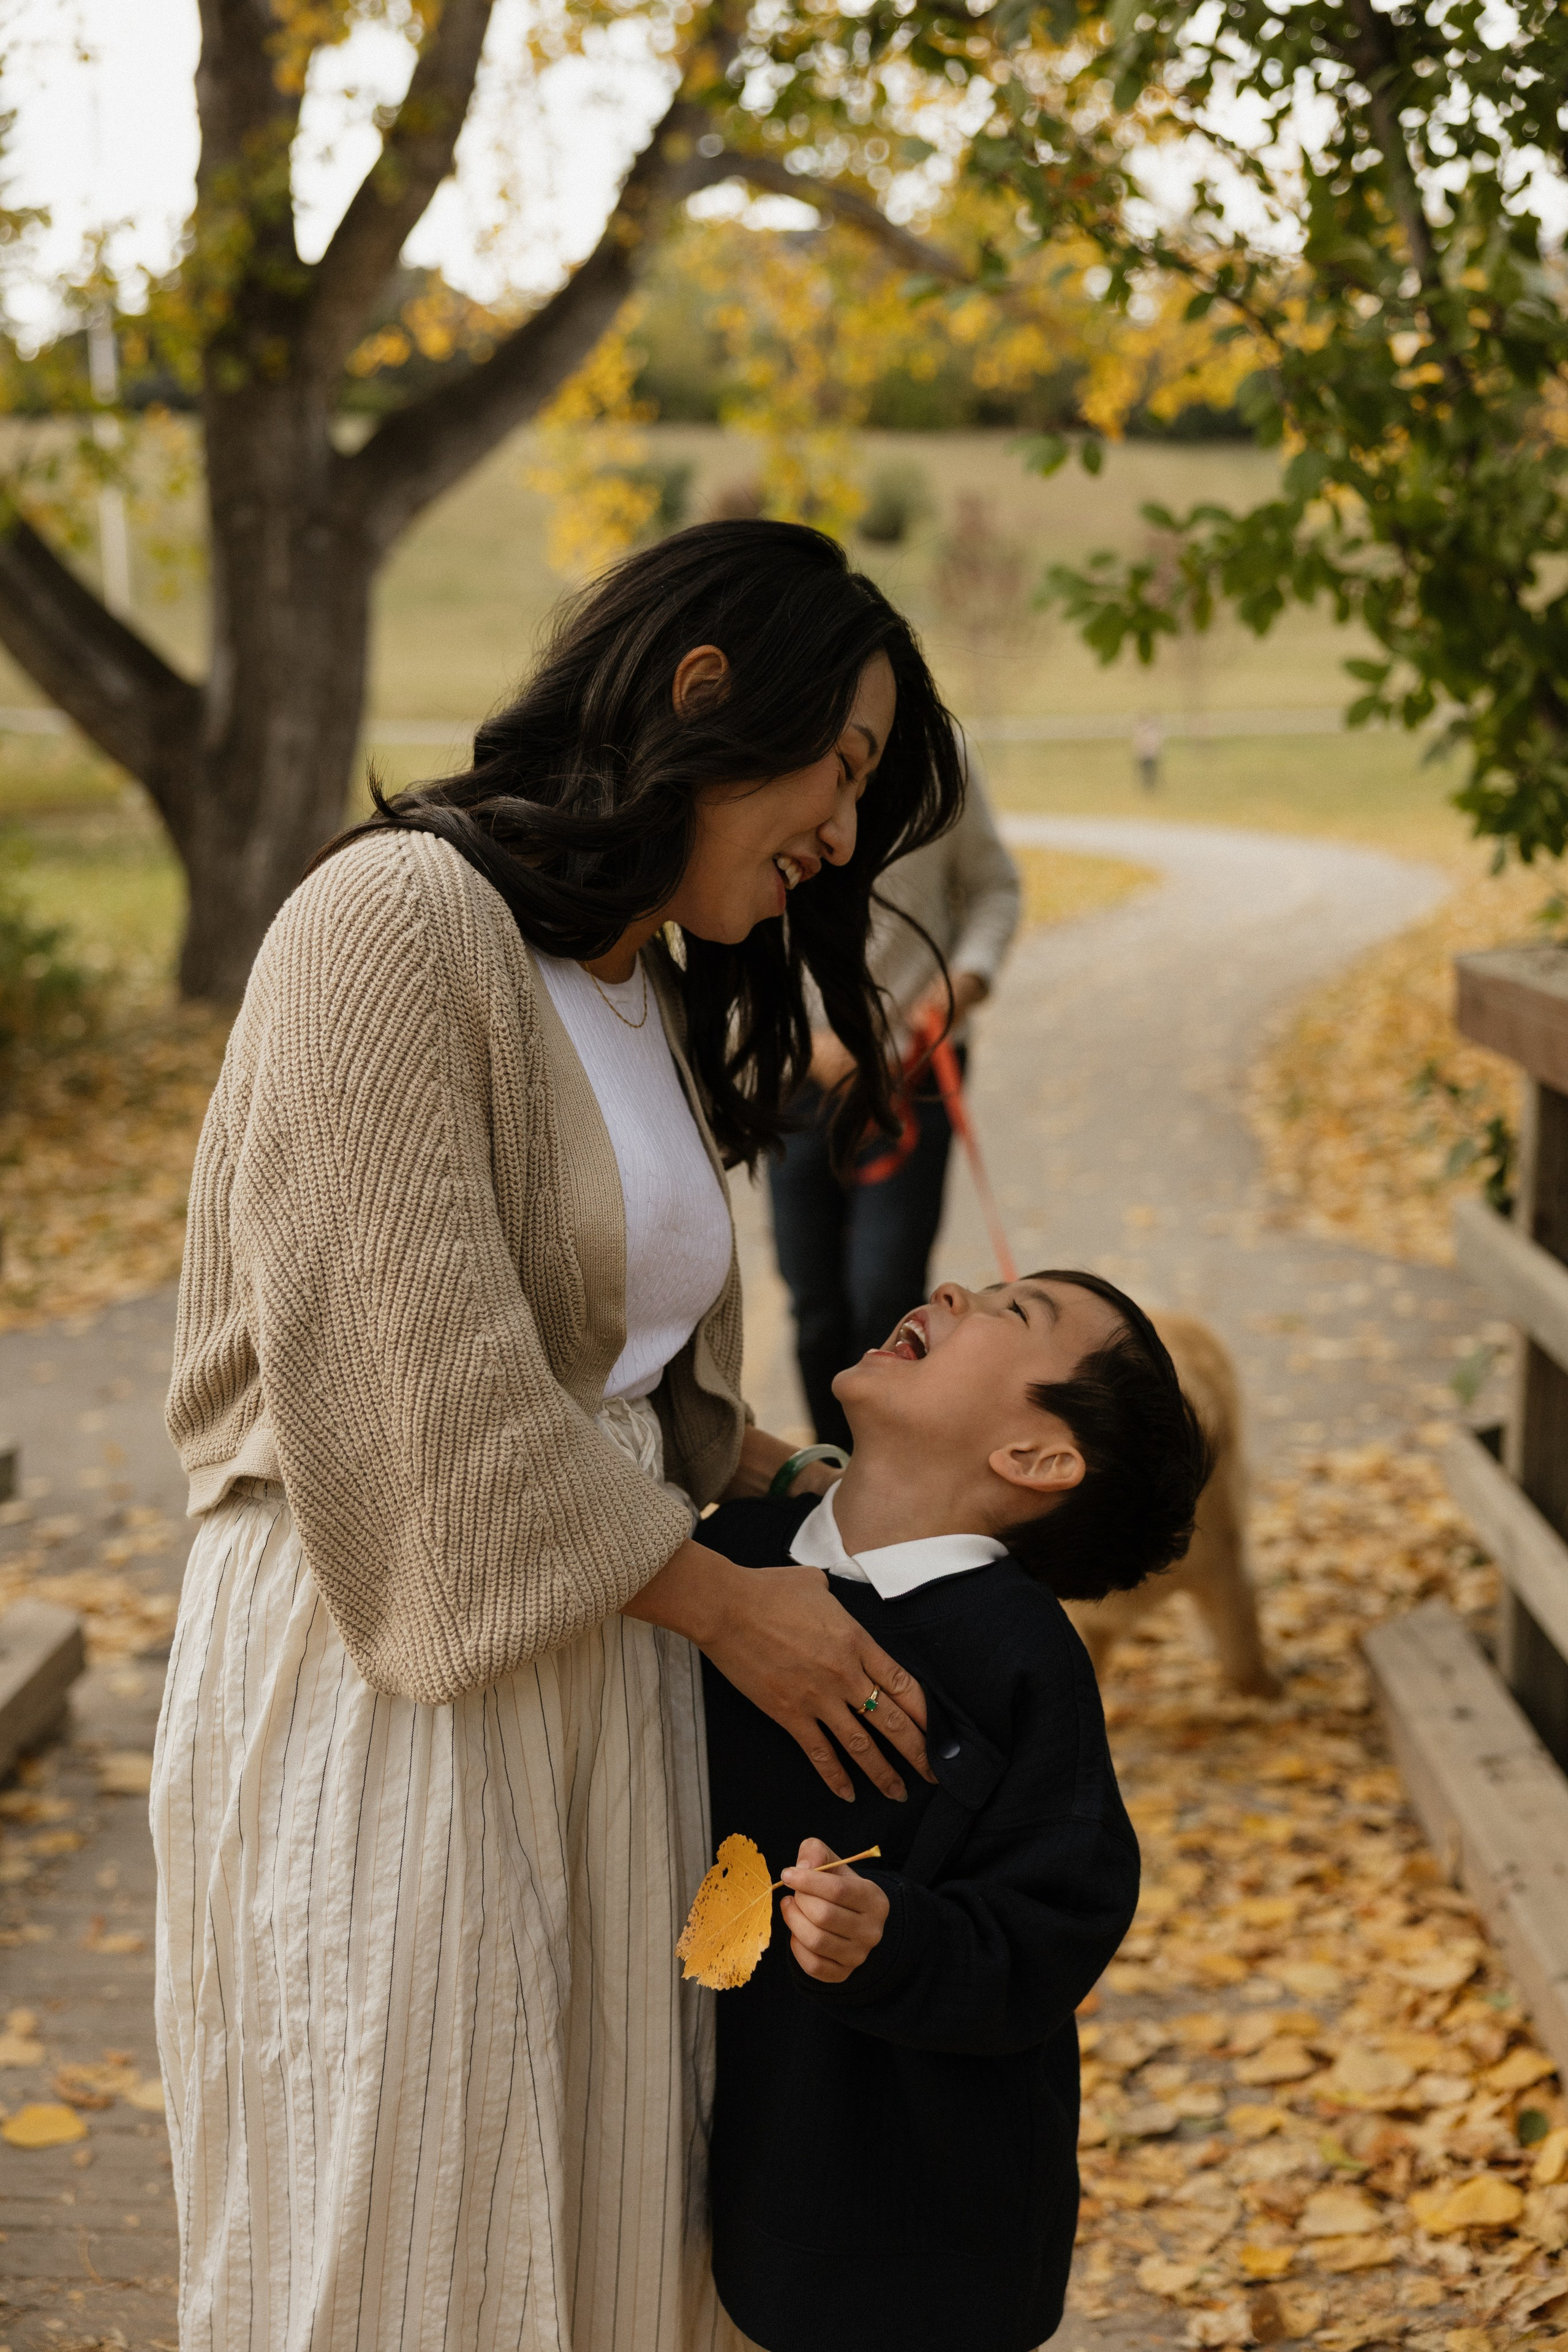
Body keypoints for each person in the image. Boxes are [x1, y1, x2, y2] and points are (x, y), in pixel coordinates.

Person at [150, 521, 968, 2352]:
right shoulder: (387, 924)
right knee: (402, 2234)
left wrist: (785, 1481)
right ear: (699, 694)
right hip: (389, 1666)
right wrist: (728, 1608)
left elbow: (605, 1355)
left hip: (602, 1671)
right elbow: (409, 1383)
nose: (845, 835)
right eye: (838, 767)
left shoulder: (623, 970)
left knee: (583, 2229)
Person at [696, 1270, 1213, 2352]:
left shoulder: (1020, 1659)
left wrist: (902, 1940)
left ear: (1034, 1458)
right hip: (734, 2149)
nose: (952, 1287)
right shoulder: (729, 1564)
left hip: (920, 2220)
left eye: (1011, 1314)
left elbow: (1056, 1922)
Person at [769, 742, 1020, 1448]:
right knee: (814, 1302)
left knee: (886, 1293)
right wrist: (802, 1046)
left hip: (915, 1076)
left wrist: (961, 984)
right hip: (796, 1081)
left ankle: (899, 1462)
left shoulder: (943, 763)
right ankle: (831, 1473)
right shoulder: (768, 754)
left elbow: (996, 888)